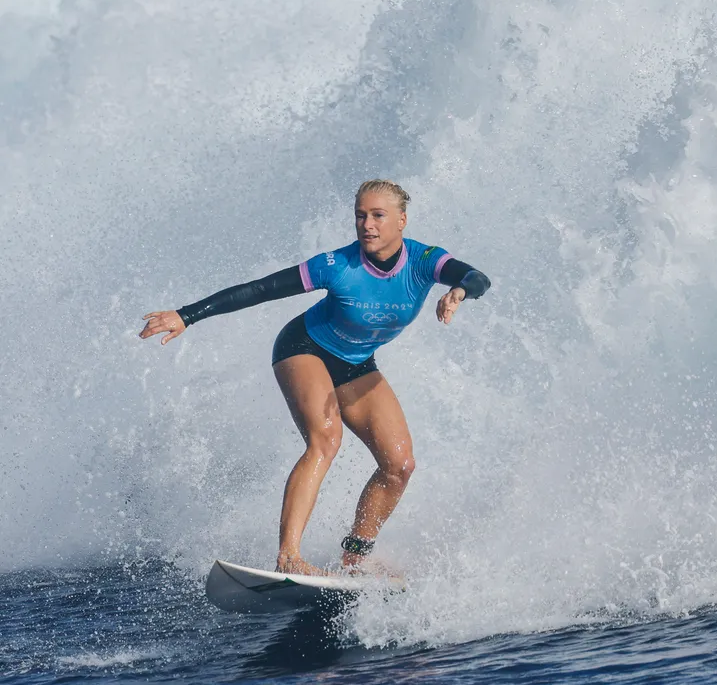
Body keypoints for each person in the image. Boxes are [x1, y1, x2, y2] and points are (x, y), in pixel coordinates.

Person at [139, 179, 491, 576]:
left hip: (356, 362)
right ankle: (289, 556)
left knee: (400, 465)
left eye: (378, 216)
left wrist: (458, 293)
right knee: (326, 439)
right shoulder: (338, 265)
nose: (367, 225)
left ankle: (355, 558)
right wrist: (187, 315)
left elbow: (478, 277)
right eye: (360, 216)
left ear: (402, 221)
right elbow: (260, 289)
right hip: (304, 348)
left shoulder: (425, 261)